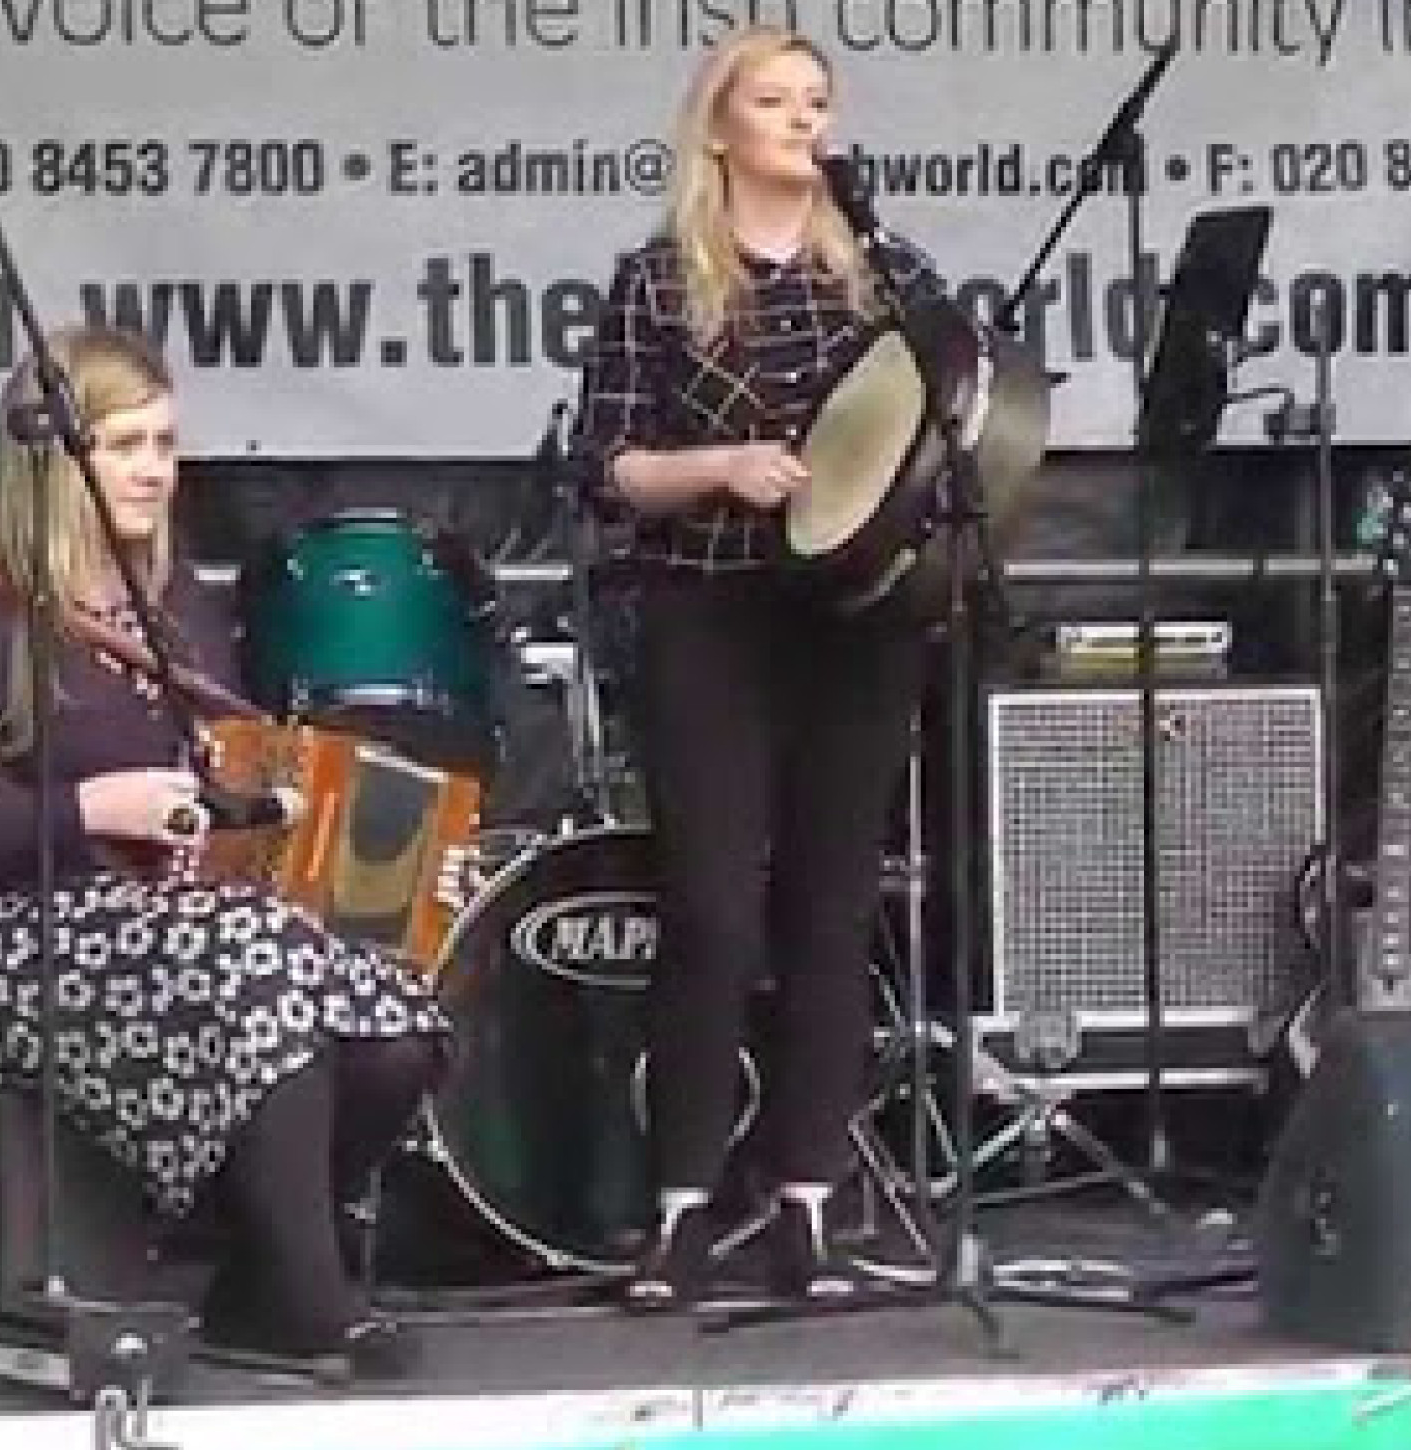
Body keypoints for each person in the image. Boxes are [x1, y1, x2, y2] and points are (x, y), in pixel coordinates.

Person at [0, 326, 453, 1374]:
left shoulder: (174, 606)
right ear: (54, 461)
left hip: (173, 925)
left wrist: (378, 861)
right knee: (260, 960)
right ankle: (315, 1304)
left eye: (166, 443)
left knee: (396, 1007)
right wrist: (90, 808)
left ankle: (259, 1281)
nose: (154, 470)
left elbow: (215, 792)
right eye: (124, 444)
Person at [570, 25, 946, 1310]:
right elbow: (609, 467)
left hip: (853, 621)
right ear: (719, 127)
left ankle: (808, 1204)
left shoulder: (882, 270)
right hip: (709, 612)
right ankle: (682, 1208)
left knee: (833, 911)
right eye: (774, 100)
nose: (801, 120)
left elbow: (941, 417)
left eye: (816, 100)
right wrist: (723, 469)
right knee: (715, 912)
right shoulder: (658, 280)